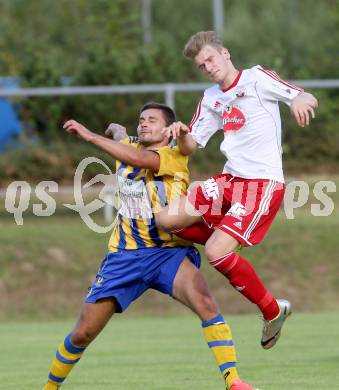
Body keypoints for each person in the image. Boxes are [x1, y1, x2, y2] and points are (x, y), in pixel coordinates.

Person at [42, 102, 255, 390]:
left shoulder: (173, 154)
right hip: (124, 256)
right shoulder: (129, 144)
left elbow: (138, 158)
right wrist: (117, 129)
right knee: (82, 333)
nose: (144, 124)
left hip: (169, 253)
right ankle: (49, 388)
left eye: (152, 120)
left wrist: (91, 136)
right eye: (141, 119)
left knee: (206, 304)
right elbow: (123, 140)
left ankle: (233, 381)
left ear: (167, 130)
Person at [157, 31, 318, 350]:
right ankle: (229, 236)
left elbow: (303, 96)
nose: (208, 67)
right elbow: (190, 147)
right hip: (230, 181)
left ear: (225, 53)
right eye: (202, 65)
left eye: (211, 59)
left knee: (216, 252)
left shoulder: (257, 79)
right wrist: (181, 134)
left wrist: (300, 99)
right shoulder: (211, 97)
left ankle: (273, 311)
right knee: (166, 220)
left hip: (261, 184)